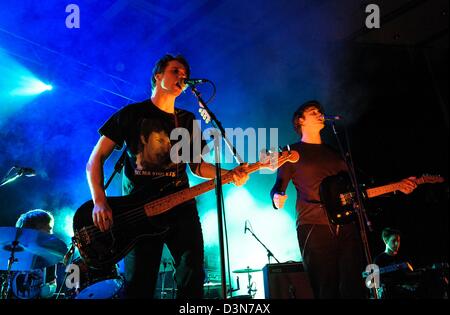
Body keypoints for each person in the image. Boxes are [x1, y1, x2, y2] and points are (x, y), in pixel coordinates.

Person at [86, 54, 248, 299]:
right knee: (139, 284)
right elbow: (95, 160)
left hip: (181, 205)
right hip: (139, 211)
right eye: (175, 71)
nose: (182, 77)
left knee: (192, 274)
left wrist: (230, 174)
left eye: (185, 75)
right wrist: (99, 200)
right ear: (158, 76)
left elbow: (197, 166)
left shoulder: (187, 120)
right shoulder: (131, 114)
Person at [270, 100, 417, 299]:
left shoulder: (335, 152)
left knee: (353, 287)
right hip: (314, 226)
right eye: (313, 111)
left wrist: (397, 187)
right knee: (325, 288)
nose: (319, 113)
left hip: (347, 225)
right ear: (300, 120)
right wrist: (277, 196)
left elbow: (358, 189)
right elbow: (278, 185)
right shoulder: (291, 153)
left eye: (320, 110)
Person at [10, 209, 58, 299]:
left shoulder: (49, 256)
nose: (51, 234)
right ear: (32, 232)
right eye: (48, 229)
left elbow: (52, 283)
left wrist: (50, 289)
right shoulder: (12, 254)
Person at [374, 228, 417, 299]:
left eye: (398, 240)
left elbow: (412, 276)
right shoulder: (379, 260)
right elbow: (378, 286)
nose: (397, 243)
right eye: (394, 241)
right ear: (385, 241)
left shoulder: (404, 257)